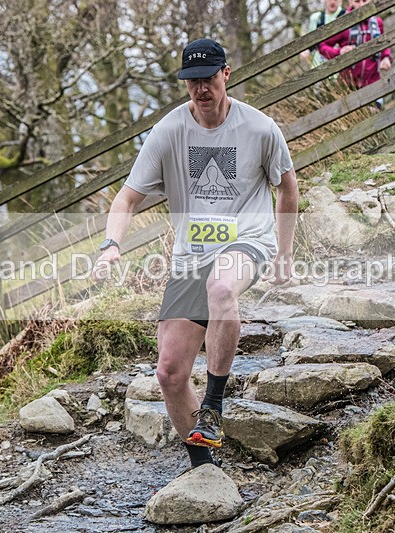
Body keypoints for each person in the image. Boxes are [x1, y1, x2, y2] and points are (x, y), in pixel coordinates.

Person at [93, 39, 298, 469]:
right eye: (192, 81)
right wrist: (111, 245)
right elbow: (126, 199)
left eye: (208, 78)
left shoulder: (259, 128)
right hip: (192, 255)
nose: (201, 89)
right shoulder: (169, 131)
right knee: (169, 373)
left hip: (247, 241)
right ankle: (204, 469)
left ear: (226, 74)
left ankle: (214, 406)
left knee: (221, 287)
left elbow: (288, 189)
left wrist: (284, 252)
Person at [318, 0, 392, 95]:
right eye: (357, 1)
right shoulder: (342, 24)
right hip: (348, 86)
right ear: (350, 2)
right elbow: (322, 45)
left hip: (373, 84)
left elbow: (383, 42)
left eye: (365, 1)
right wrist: (339, 52)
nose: (361, 5)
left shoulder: (377, 23)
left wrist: (386, 57)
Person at [300, 0, 345, 69]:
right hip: (320, 62)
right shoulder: (316, 18)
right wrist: (306, 50)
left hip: (341, 61)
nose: (332, 2)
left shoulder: (346, 14)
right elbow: (310, 43)